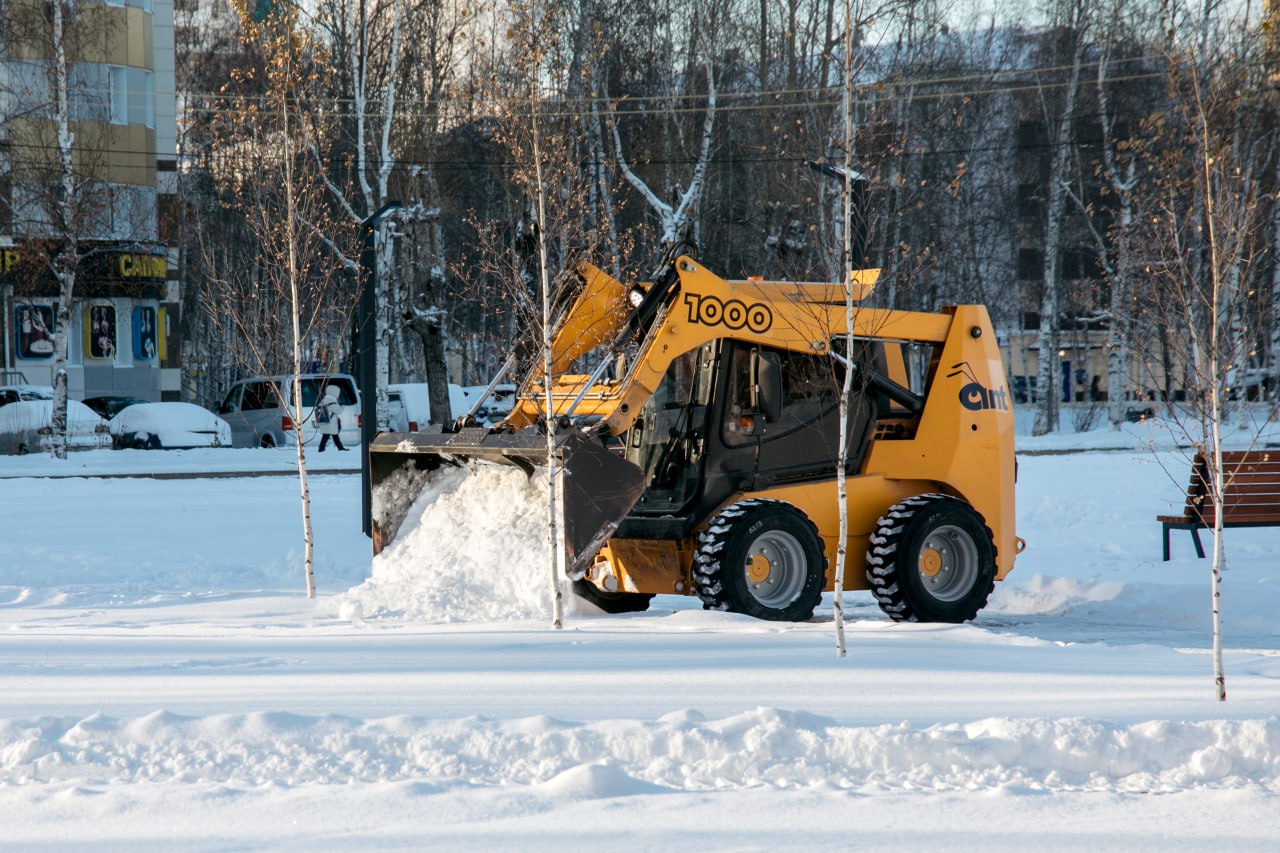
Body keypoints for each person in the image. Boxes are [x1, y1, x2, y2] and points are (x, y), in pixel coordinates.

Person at [316, 385, 346, 452]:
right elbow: (338, 411)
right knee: (330, 436)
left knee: (329, 436)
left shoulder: (323, 400)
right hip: (330, 422)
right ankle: (321, 449)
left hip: (324, 421)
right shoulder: (332, 400)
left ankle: (340, 448)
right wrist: (342, 406)